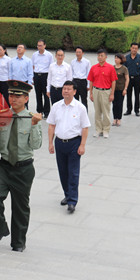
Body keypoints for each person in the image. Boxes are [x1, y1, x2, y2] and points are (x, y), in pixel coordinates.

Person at [0, 80, 42, 252]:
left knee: (20, 208)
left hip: (24, 169)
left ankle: (18, 243)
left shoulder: (32, 118)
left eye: (18, 96)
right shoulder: (3, 116)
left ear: (26, 98)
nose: (13, 99)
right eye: (11, 95)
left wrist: (34, 125)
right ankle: (0, 228)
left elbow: (36, 145)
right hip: (4, 166)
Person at [47, 80, 90, 214]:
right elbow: (51, 125)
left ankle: (72, 201)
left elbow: (85, 127)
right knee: (63, 171)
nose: (65, 91)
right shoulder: (56, 106)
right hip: (60, 143)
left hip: (74, 143)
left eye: (69, 89)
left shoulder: (80, 108)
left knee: (73, 172)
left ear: (74, 91)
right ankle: (67, 194)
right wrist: (50, 143)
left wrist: (82, 145)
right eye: (64, 88)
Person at [87, 49, 117, 138]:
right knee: (97, 112)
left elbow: (113, 81)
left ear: (106, 57)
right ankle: (98, 129)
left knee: (106, 112)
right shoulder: (93, 67)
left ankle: (106, 130)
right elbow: (91, 81)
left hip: (106, 91)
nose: (100, 57)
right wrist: (91, 93)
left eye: (102, 56)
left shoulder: (110, 67)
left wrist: (112, 93)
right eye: (98, 56)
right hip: (96, 91)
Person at [32, 39, 54, 118]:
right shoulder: (34, 55)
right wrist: (33, 77)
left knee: (46, 94)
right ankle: (39, 111)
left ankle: (47, 112)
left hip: (45, 75)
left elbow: (51, 67)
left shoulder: (49, 55)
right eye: (38, 45)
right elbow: (33, 66)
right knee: (38, 94)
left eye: (41, 45)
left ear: (45, 45)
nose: (39, 47)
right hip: (37, 75)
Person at [124, 42, 140, 117]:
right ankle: (129, 110)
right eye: (133, 48)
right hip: (128, 79)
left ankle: (137, 110)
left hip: (137, 78)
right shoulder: (126, 57)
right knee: (128, 95)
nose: (134, 49)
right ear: (130, 48)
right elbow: (124, 69)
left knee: (137, 95)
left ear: (137, 49)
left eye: (136, 48)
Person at [70, 46, 91, 110]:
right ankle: (75, 113)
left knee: (84, 99)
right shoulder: (73, 62)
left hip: (83, 82)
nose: (78, 54)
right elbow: (71, 73)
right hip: (75, 81)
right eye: (77, 52)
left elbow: (88, 74)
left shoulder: (87, 62)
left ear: (82, 53)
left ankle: (84, 114)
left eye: (79, 52)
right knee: (74, 100)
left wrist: (88, 85)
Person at [112, 53, 129, 127]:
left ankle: (119, 118)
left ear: (121, 60)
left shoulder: (124, 68)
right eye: (115, 58)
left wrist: (125, 89)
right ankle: (114, 118)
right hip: (113, 89)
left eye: (117, 58)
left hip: (121, 89)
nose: (116, 59)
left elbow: (127, 79)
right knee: (114, 104)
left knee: (119, 104)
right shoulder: (112, 67)